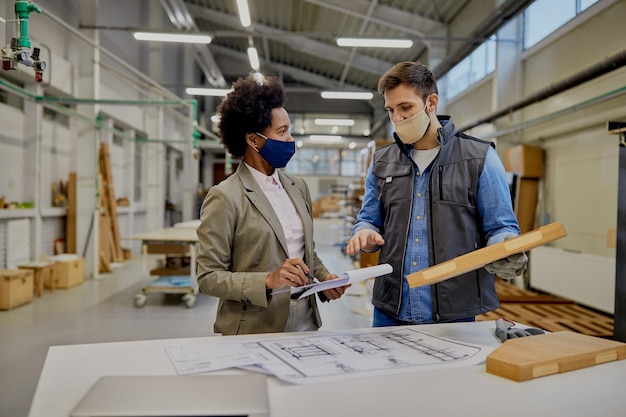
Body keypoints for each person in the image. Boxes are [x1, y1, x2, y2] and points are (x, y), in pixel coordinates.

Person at [346, 61, 527, 327]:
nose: (397, 119)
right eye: (390, 110)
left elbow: (501, 227)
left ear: (431, 103)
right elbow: (368, 221)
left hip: (454, 311)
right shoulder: (382, 161)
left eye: (405, 107)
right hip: (390, 309)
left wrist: (506, 246)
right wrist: (364, 233)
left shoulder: (479, 158)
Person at [196, 72, 348, 335]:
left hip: (305, 319)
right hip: (255, 325)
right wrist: (268, 280)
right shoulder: (226, 196)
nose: (291, 140)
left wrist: (324, 278)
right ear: (253, 139)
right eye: (282, 131)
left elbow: (306, 253)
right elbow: (208, 278)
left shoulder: (297, 187)